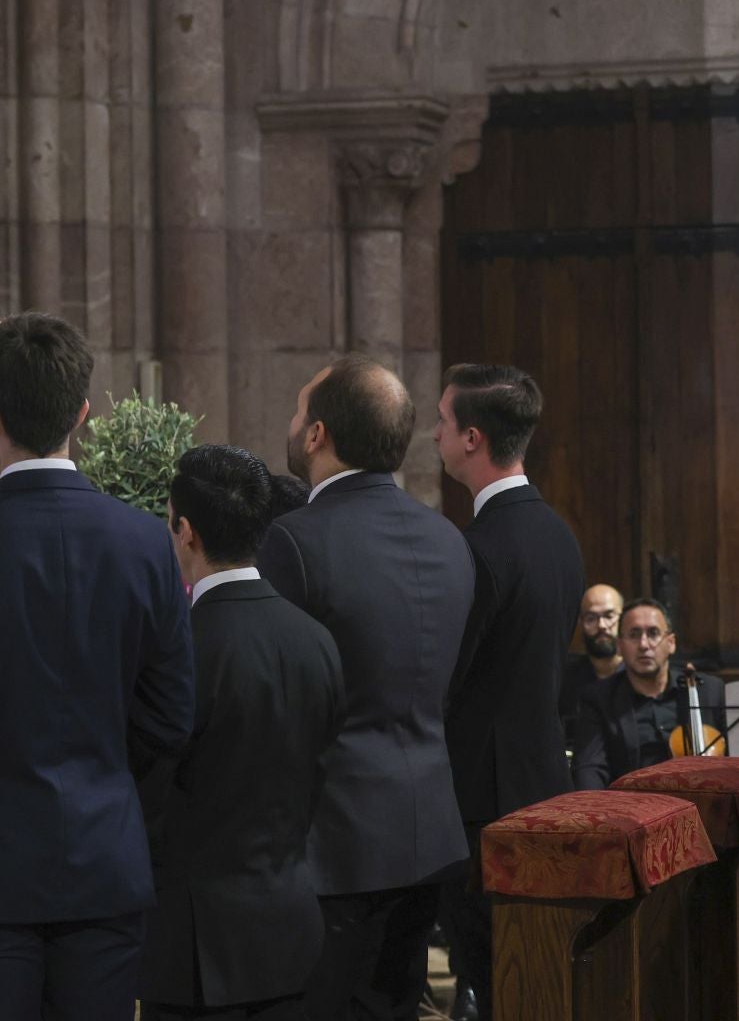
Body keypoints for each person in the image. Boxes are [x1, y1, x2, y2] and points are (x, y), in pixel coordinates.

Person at [0, 313, 195, 1021]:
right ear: (82, 414)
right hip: (104, 859)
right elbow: (171, 714)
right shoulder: (146, 543)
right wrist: (104, 767)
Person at [255, 356, 474, 1021]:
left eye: (297, 413)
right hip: (429, 831)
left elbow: (273, 699)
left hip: (333, 844)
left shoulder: (293, 541)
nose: (291, 425)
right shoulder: (448, 539)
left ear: (318, 434)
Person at [139, 446, 345, 1021]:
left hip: (196, 948)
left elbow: (150, 790)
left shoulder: (177, 649)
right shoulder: (316, 640)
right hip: (293, 930)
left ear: (185, 531)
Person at [432, 364, 584, 1021]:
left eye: (441, 422)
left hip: (479, 802)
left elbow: (450, 677)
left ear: (472, 438)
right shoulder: (559, 535)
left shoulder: (481, 548)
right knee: (534, 980)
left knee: (496, 979)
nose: (434, 433)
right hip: (544, 781)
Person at [569, 600, 726, 790]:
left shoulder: (708, 690)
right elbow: (590, 768)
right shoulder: (598, 699)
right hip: (632, 809)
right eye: (634, 635)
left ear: (671, 643)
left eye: (653, 633)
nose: (644, 645)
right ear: (619, 645)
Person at [559, 584, 625, 729]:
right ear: (580, 622)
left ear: (624, 618)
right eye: (591, 618)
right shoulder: (564, 680)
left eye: (609, 616)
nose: (601, 625)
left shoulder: (639, 675)